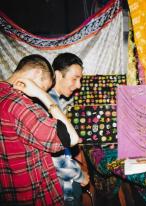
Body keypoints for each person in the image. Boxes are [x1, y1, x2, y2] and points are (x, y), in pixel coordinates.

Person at [0, 54, 80, 205]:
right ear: (36, 74)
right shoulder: (18, 104)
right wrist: (41, 94)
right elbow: (71, 138)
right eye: (44, 87)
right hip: (35, 196)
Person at [50, 53, 89, 205]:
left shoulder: (53, 100)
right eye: (74, 78)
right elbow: (57, 159)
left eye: (80, 80)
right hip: (61, 185)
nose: (78, 85)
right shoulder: (49, 103)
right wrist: (80, 175)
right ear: (58, 75)